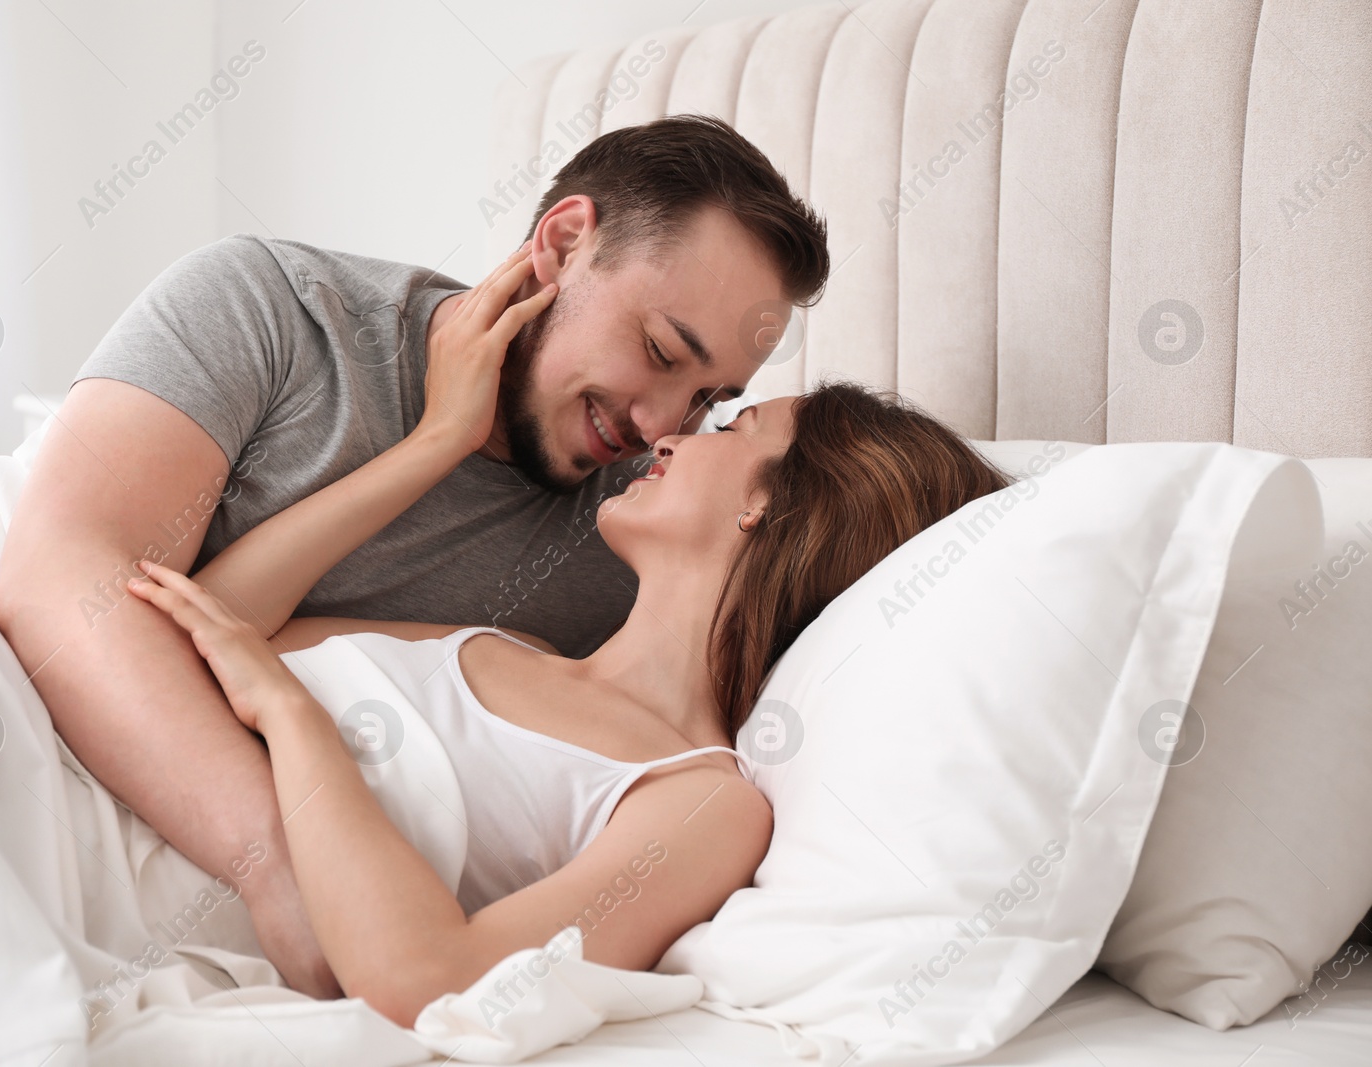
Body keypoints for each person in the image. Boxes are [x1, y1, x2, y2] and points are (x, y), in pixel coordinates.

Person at [0, 114, 830, 996]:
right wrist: (276, 861)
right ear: (565, 242)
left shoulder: (635, 538)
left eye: (709, 401)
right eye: (659, 350)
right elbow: (60, 587)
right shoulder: (273, 305)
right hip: (51, 732)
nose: (660, 425)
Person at [122, 302, 1012, 1027]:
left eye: (733, 426)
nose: (669, 434)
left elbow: (437, 980)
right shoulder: (516, 646)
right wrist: (437, 442)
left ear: (771, 504)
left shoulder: (703, 799)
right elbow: (197, 627)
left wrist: (294, 718)